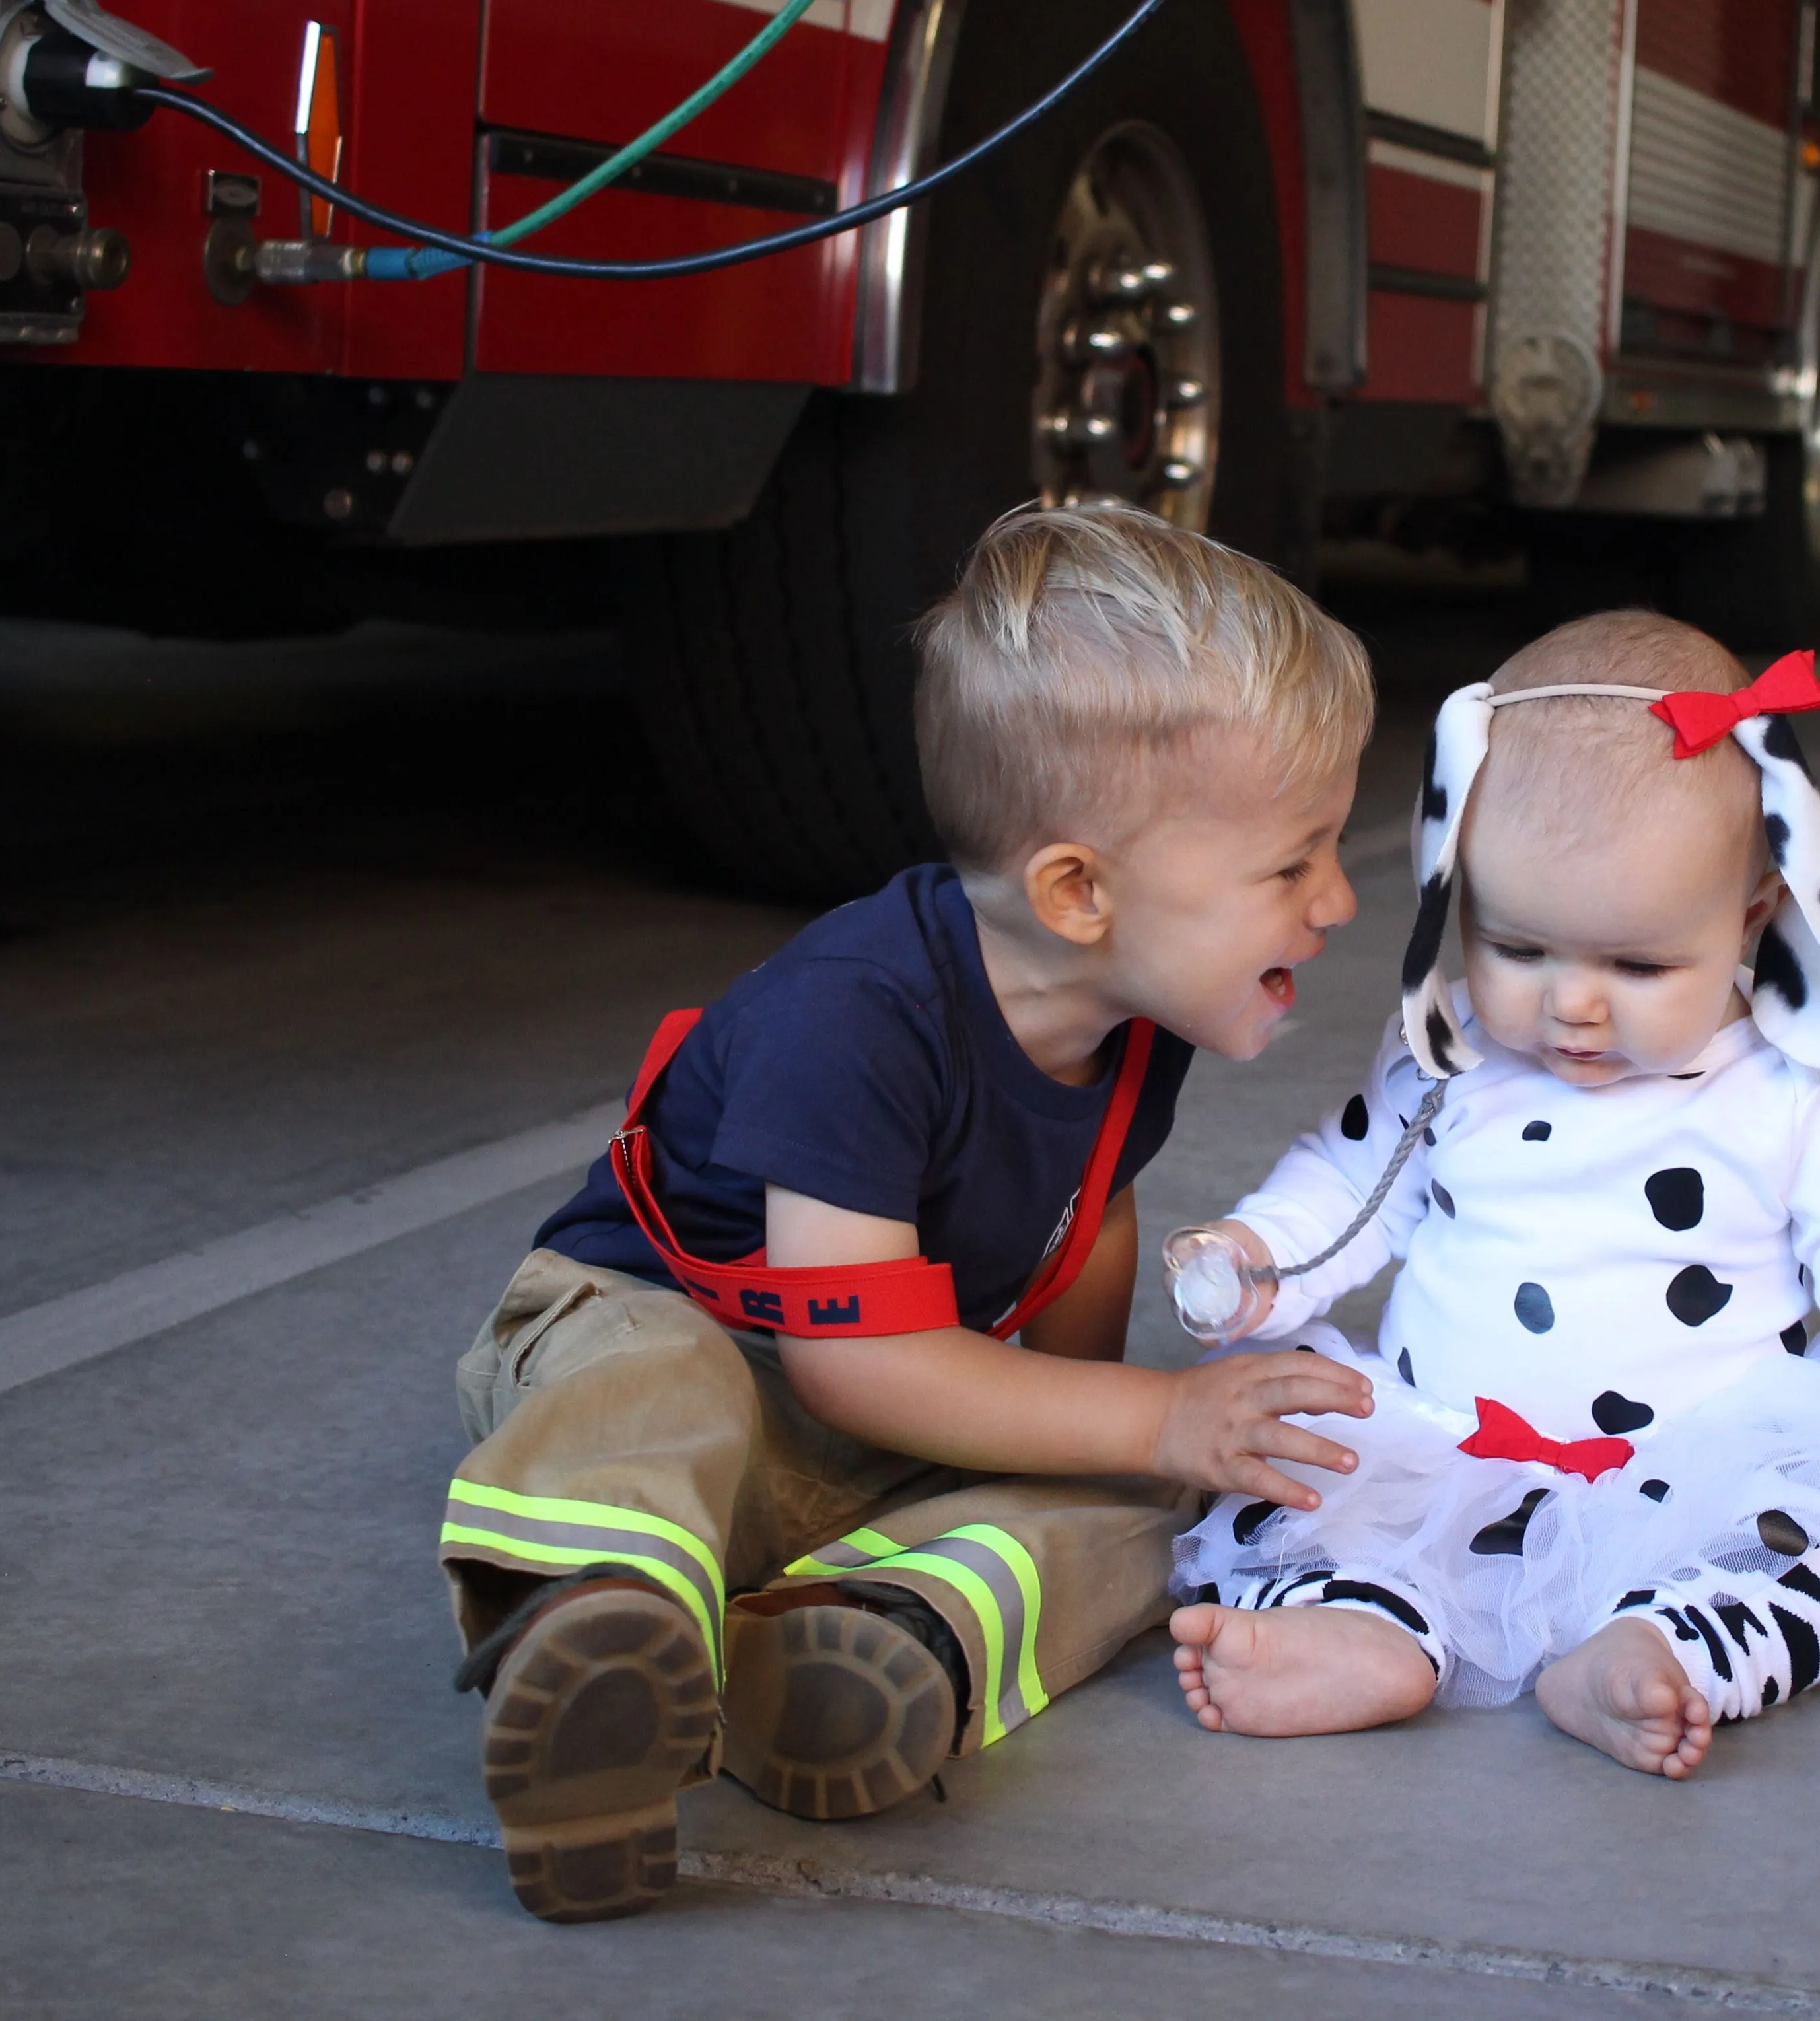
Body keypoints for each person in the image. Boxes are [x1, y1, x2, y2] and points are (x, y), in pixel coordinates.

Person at [439, 503, 1382, 1921]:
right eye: (1292, 864)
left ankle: (861, 1644)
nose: (1341, 900)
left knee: (1164, 1502)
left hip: (892, 1401)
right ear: (1080, 891)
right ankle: (596, 1626)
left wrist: (1090, 1439)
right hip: (688, 1334)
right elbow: (847, 1361)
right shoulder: (858, 1013)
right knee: (662, 1395)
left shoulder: (1138, 1015)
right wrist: (1145, 1415)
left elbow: (1088, 1216)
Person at [1161, 609, 1820, 1778]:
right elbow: (1357, 1179)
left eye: (1640, 966)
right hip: (1441, 1445)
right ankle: (1363, 1623)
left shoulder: (1799, 1092)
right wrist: (1263, 1255)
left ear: (1752, 917)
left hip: (1705, 1473)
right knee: (1285, 1451)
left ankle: (1664, 1651)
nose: (1574, 1008)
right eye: (1518, 948)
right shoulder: (1449, 1054)